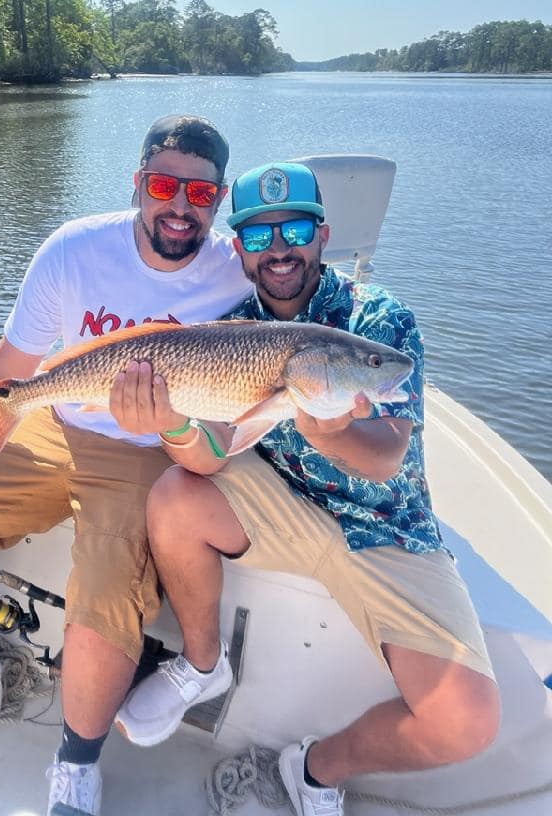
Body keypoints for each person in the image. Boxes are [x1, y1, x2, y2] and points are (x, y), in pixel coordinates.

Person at [0, 114, 252, 816]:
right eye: (165, 186)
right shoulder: (73, 249)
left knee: (105, 587)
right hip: (58, 420)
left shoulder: (236, 269)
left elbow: (301, 291)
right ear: (138, 183)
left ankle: (76, 764)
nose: (181, 207)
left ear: (218, 200)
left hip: (151, 453)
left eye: (200, 193)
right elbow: (7, 370)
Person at [114, 161, 501, 816]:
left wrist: (332, 434)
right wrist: (171, 424)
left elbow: (386, 456)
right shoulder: (230, 331)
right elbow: (212, 453)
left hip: (384, 529)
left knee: (466, 721)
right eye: (258, 236)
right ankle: (204, 664)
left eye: (294, 230)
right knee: (175, 494)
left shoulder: (378, 321)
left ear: (322, 235)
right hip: (283, 504)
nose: (278, 250)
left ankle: (315, 770)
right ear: (238, 248)